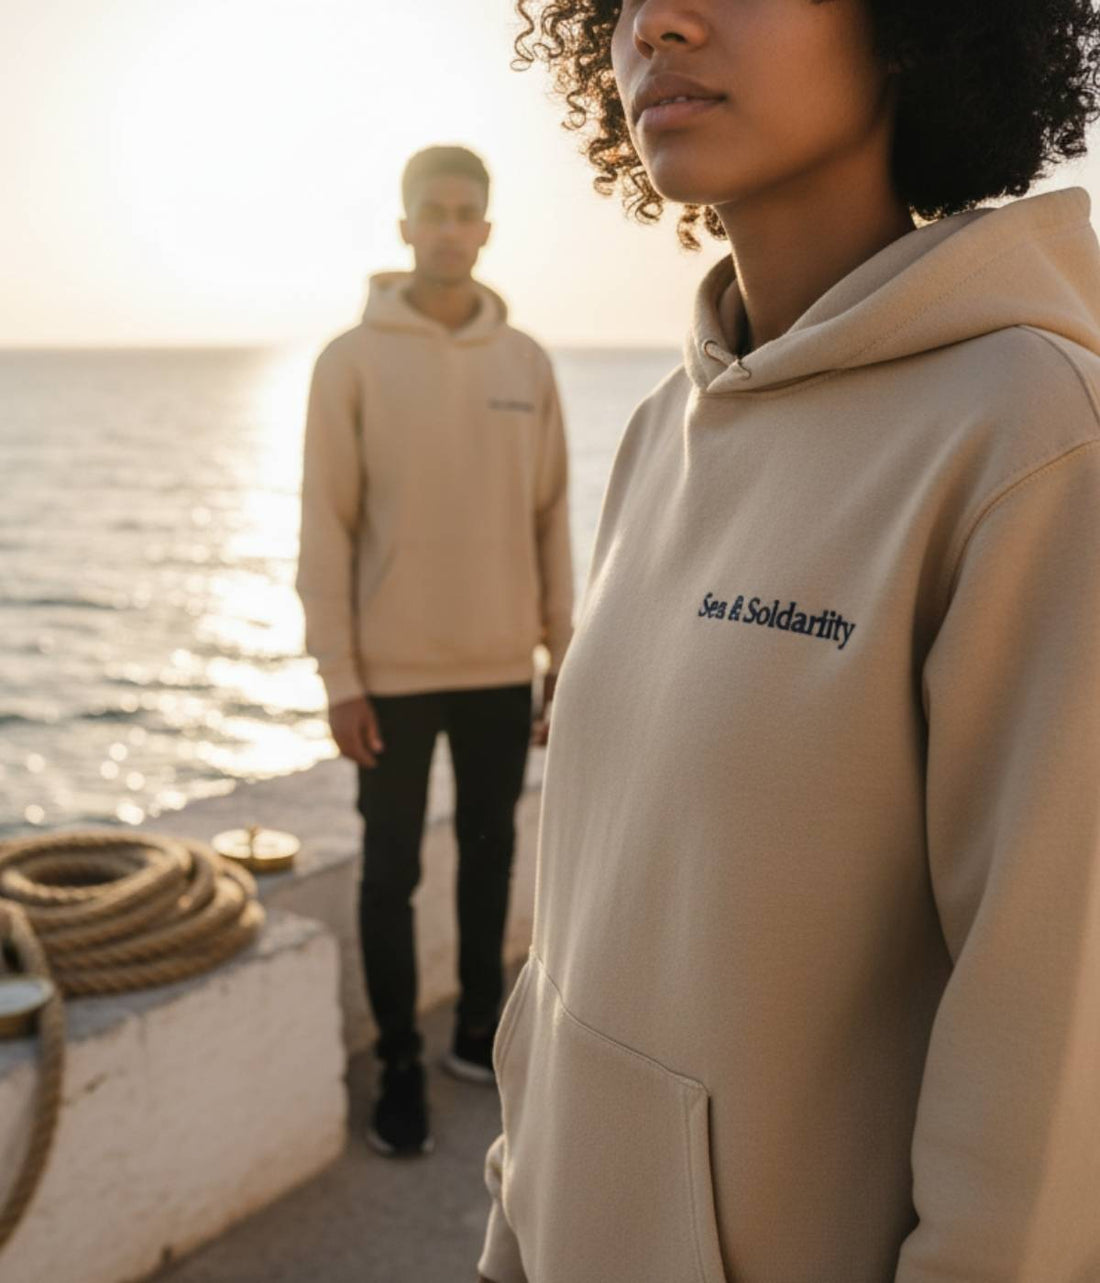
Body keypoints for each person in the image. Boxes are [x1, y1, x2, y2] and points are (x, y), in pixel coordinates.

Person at [478, 1, 1100, 1279]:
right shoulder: (662, 425)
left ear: (915, 25)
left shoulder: (1031, 440)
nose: (659, 22)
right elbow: (587, 916)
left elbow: (1048, 1074)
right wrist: (512, 1215)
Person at [296, 144, 573, 1159]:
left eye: (467, 213)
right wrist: (340, 676)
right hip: (394, 676)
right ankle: (401, 1070)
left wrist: (560, 654)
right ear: (405, 223)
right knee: (387, 872)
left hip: (503, 664)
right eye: (433, 211)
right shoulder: (349, 360)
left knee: (492, 852)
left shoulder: (526, 362)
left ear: (486, 229)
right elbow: (324, 525)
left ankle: (472, 1037)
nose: (450, 228)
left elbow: (550, 519)